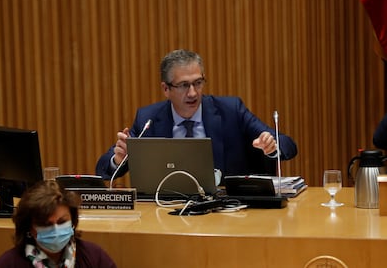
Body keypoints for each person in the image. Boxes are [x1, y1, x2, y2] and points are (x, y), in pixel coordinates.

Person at [96, 49, 297, 181]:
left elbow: (288, 144)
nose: (193, 93)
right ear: (166, 89)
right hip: (168, 215)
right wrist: (118, 158)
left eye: (198, 83)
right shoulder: (149, 120)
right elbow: (102, 168)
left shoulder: (231, 110)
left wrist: (272, 146)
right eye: (184, 85)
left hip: (228, 214)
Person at [0, 180, 117, 268]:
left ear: (73, 222)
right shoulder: (9, 263)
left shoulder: (94, 257)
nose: (55, 229)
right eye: (45, 224)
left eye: (62, 222)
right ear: (29, 227)